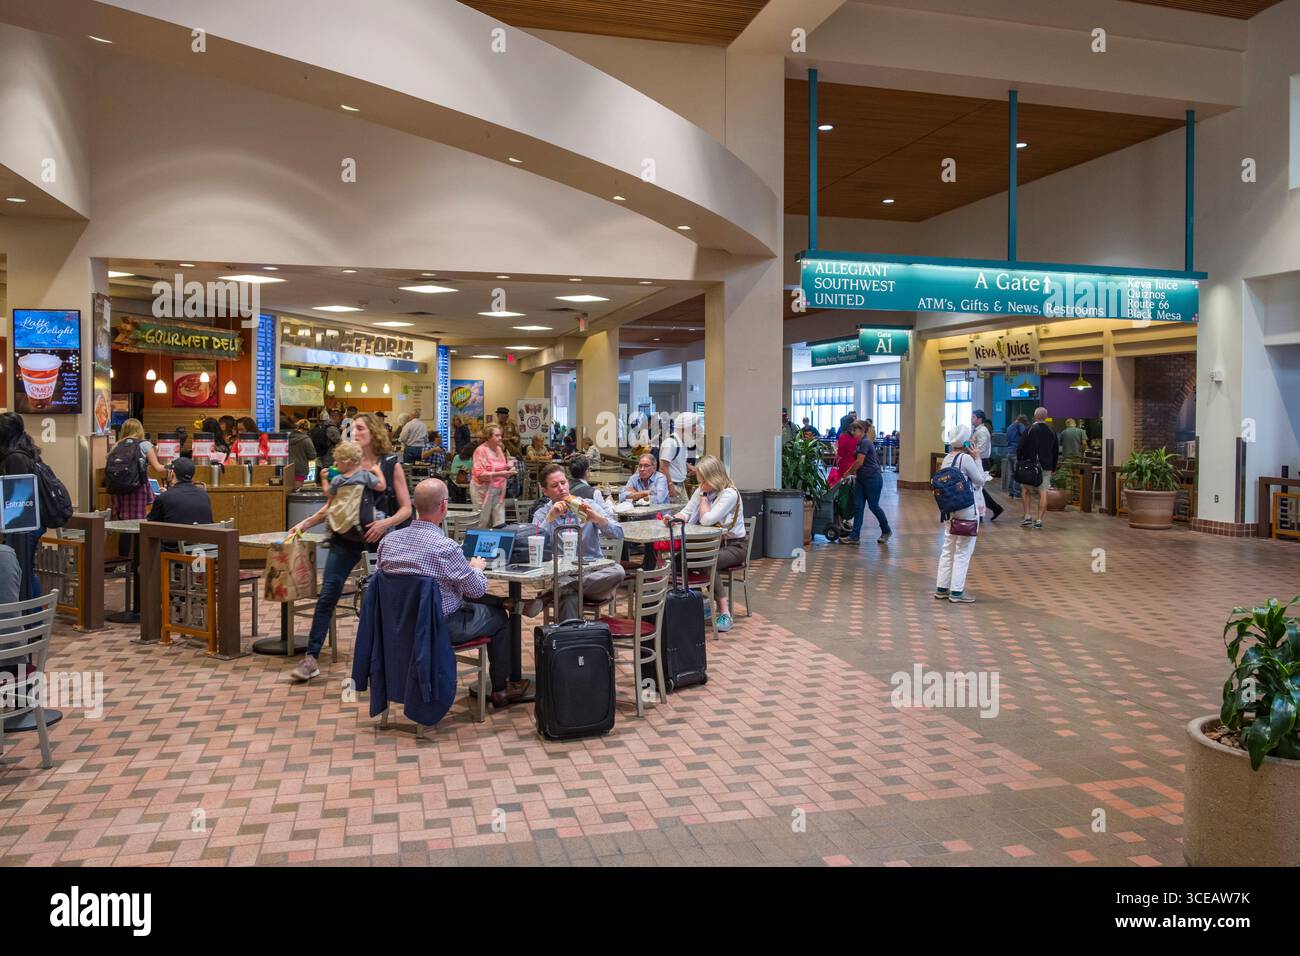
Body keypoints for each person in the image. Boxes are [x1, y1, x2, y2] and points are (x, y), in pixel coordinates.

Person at [375, 478, 528, 709]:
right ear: (444, 506)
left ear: (415, 505)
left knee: (460, 595)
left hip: (397, 625)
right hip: (440, 626)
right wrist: (476, 569)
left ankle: (509, 603)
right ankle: (500, 689)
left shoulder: (388, 542)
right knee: (499, 619)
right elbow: (476, 590)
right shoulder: (445, 547)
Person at [287, 414, 412, 682]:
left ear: (374, 432)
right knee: (328, 594)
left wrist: (385, 524)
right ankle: (311, 657)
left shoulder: (389, 465)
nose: (353, 431)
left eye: (360, 427)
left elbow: (406, 508)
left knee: (384, 601)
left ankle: (388, 658)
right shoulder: (345, 466)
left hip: (380, 541)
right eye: (352, 427)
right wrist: (306, 523)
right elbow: (335, 503)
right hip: (344, 539)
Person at [522, 464, 624, 622]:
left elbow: (618, 532)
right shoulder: (542, 513)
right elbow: (534, 544)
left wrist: (598, 519)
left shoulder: (588, 504)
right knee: (569, 598)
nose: (561, 488)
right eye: (555, 486)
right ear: (545, 491)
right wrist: (550, 519)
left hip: (595, 573)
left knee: (618, 570)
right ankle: (571, 644)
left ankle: (551, 594)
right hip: (563, 574)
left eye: (563, 483)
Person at [670, 455, 746, 633]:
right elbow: (687, 512)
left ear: (714, 477)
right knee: (679, 561)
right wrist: (674, 519)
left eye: (703, 478)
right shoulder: (702, 490)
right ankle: (700, 601)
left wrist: (704, 498)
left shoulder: (729, 493)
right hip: (710, 545)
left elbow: (706, 520)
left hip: (734, 546)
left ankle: (724, 611)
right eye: (700, 478)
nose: (701, 482)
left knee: (705, 560)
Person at [0, 413, 52, 600]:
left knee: (24, 574)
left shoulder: (15, 458)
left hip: (22, 527)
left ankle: (32, 622)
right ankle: (33, 621)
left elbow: (17, 500)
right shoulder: (27, 452)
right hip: (30, 524)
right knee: (26, 572)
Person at [934, 424, 986, 604]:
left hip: (949, 510)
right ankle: (957, 591)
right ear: (965, 440)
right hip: (966, 508)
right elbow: (980, 481)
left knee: (948, 548)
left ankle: (942, 588)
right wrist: (978, 458)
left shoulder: (947, 458)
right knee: (963, 550)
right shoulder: (966, 459)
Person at [109, 419, 164, 538]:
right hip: (137, 487)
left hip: (118, 487)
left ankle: (123, 555)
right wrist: (172, 466)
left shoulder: (117, 445)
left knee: (122, 523)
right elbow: (158, 468)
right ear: (139, 430)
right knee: (140, 522)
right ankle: (139, 554)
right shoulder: (144, 444)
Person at [145, 457, 213, 547]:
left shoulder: (164, 497)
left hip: (175, 551)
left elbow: (151, 522)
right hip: (203, 549)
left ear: (172, 473)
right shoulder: (204, 495)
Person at [843, 420, 892, 543]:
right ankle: (854, 536)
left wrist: (849, 472)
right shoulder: (859, 443)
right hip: (861, 479)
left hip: (872, 479)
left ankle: (886, 530)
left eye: (855, 430)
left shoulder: (865, 442)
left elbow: (860, 461)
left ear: (862, 430)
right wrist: (853, 472)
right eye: (852, 430)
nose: (853, 432)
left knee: (873, 506)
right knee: (858, 507)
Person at [1019, 406, 1059, 530]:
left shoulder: (1029, 429)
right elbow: (1055, 451)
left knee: (1026, 490)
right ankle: (1039, 520)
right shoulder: (1052, 431)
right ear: (1046, 417)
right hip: (1046, 466)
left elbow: (1021, 446)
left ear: (1035, 417)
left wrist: (1020, 461)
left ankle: (1027, 516)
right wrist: (1053, 467)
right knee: (1043, 493)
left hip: (1029, 465)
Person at [471, 425, 514, 526]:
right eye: (497, 435)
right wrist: (501, 474)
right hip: (482, 491)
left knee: (499, 521)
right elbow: (480, 474)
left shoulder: (499, 449)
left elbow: (501, 468)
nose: (500, 438)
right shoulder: (480, 450)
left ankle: (498, 541)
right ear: (488, 437)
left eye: (500, 435)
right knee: (483, 520)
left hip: (498, 491)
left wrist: (509, 468)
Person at [969, 410, 1004, 522]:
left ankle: (993, 509)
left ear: (979, 419)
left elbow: (981, 448)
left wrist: (969, 452)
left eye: (973, 417)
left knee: (978, 489)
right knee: (978, 489)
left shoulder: (982, 431)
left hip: (981, 462)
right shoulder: (976, 431)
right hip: (978, 461)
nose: (971, 419)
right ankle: (988, 510)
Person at [657, 413, 692, 499]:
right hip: (672, 485)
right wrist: (670, 485)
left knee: (684, 511)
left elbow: (674, 460)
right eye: (693, 426)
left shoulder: (682, 442)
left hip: (679, 485)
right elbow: (663, 467)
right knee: (675, 511)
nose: (695, 429)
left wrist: (687, 466)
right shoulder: (671, 442)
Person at [286, 419, 316, 486]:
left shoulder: (287, 437)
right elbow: (312, 455)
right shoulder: (306, 440)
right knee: (296, 491)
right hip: (300, 469)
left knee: (287, 490)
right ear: (307, 429)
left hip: (287, 468)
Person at [1005, 414, 1029, 499]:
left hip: (1009, 452)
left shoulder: (1009, 427)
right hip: (1017, 452)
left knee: (1012, 473)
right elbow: (1025, 436)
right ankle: (1017, 493)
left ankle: (1011, 491)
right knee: (1018, 473)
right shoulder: (1020, 425)